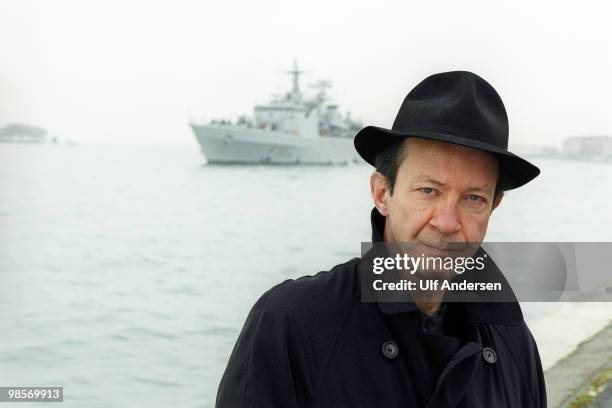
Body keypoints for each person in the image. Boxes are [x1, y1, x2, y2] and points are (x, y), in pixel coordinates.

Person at [216, 71, 546, 407]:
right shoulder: (290, 326)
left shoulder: (514, 342)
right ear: (382, 193)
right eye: (428, 191)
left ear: (492, 207)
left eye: (473, 198)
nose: (447, 223)